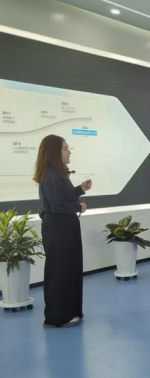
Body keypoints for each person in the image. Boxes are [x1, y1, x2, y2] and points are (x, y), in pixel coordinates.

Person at [33, 135, 92, 328]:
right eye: (65, 148)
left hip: (64, 226)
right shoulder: (50, 175)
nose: (69, 152)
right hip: (58, 228)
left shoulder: (56, 174)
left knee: (68, 269)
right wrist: (79, 207)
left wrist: (79, 189)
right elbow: (58, 205)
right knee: (59, 271)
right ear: (54, 152)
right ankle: (56, 317)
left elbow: (61, 197)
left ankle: (68, 312)